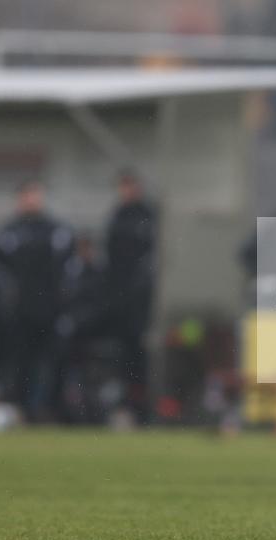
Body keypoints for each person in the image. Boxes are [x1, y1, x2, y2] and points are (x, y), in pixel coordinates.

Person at [0, 181, 74, 421]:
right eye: (27, 195)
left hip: (51, 309)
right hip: (20, 310)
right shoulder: (10, 231)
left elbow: (65, 267)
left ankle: (52, 409)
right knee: (21, 361)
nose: (31, 200)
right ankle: (21, 409)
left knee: (54, 360)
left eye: (35, 195)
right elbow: (0, 269)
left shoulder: (55, 229)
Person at [106, 170, 156, 423]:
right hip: (121, 300)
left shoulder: (148, 216)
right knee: (124, 354)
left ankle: (142, 407)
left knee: (141, 354)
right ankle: (126, 404)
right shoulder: (117, 216)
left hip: (143, 300)